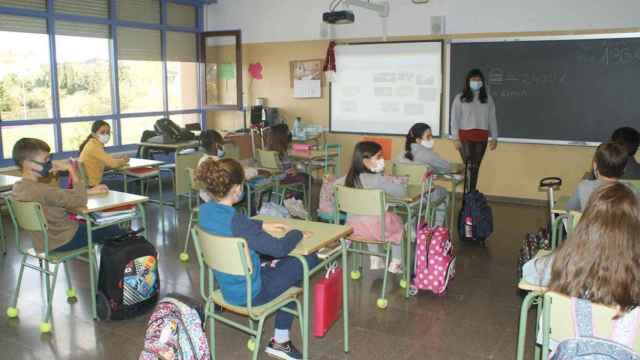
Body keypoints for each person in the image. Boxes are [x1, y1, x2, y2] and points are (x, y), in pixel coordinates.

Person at [196, 158, 318, 360]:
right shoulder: (238, 222)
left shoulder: (205, 211)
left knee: (279, 263)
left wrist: (260, 226)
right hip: (252, 293)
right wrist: (295, 232)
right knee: (306, 260)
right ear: (237, 188)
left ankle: (273, 269)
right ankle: (280, 342)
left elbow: (238, 225)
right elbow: (279, 248)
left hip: (224, 288)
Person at [11, 138, 124, 253]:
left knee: (100, 228)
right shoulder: (42, 190)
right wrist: (72, 170)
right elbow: (80, 201)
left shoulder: (18, 187)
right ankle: (128, 266)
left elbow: (57, 196)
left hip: (44, 241)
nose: (49, 163)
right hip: (64, 239)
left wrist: (89, 192)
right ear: (27, 163)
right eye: (45, 159)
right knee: (116, 231)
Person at [344, 141, 407, 274]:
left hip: (352, 229)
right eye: (378, 157)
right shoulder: (378, 179)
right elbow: (401, 192)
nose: (382, 160)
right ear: (366, 162)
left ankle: (375, 258)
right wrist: (396, 182)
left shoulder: (348, 179)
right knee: (398, 225)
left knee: (368, 218)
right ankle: (396, 262)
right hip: (375, 229)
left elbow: (334, 186)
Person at [450, 69, 498, 191]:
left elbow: (492, 119)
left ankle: (471, 195)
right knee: (469, 166)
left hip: (481, 137)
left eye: (478, 79)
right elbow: (454, 119)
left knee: (475, 167)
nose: (476, 82)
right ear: (468, 81)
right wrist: (455, 138)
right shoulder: (460, 98)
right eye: (473, 79)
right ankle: (469, 195)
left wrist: (494, 137)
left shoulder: (487, 99)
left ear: (482, 82)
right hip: (465, 136)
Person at [395, 122, 452, 225]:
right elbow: (447, 167)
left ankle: (411, 225)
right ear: (418, 140)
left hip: (403, 196)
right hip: (423, 196)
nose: (431, 139)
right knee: (445, 193)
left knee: (417, 197)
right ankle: (437, 225)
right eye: (428, 136)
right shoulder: (428, 154)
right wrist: (434, 169)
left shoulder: (401, 155)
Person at [197, 129, 259, 203]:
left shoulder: (202, 161)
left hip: (205, 197)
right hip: (218, 199)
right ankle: (252, 213)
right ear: (217, 145)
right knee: (249, 187)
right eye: (222, 144)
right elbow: (240, 175)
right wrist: (257, 171)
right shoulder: (219, 163)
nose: (223, 147)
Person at [566, 142, 629, 211]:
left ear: (595, 165)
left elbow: (569, 209)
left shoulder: (584, 186)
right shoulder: (631, 190)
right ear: (624, 169)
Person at [78, 120, 128, 187]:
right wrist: (124, 160)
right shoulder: (94, 147)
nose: (106, 135)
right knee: (126, 182)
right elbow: (113, 164)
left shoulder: (93, 144)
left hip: (90, 182)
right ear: (93, 134)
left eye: (108, 132)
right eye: (102, 132)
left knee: (117, 177)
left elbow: (106, 162)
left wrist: (117, 160)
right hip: (92, 185)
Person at [267, 124, 309, 194]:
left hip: (273, 179)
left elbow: (285, 166)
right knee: (308, 179)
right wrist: (295, 170)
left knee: (303, 175)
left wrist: (294, 168)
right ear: (281, 136)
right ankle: (296, 199)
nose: (289, 134)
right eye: (287, 132)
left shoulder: (269, 150)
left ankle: (292, 197)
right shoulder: (280, 152)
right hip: (282, 178)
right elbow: (285, 170)